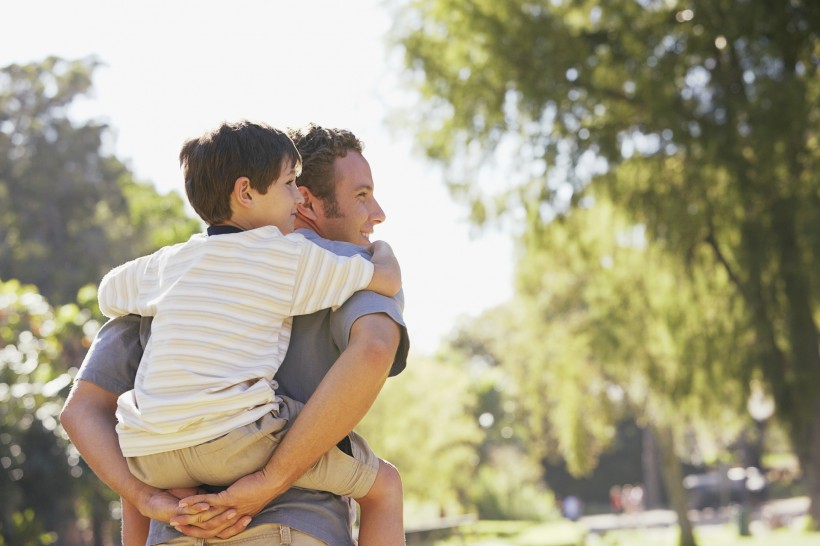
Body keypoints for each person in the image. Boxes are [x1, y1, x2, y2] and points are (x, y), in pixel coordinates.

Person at [60, 123, 410, 545]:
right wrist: (270, 479)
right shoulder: (329, 266)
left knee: (155, 437)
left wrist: (148, 498)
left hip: (174, 517)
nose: (377, 212)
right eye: (361, 195)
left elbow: (81, 409)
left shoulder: (166, 273)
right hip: (291, 524)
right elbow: (374, 348)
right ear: (308, 204)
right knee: (384, 484)